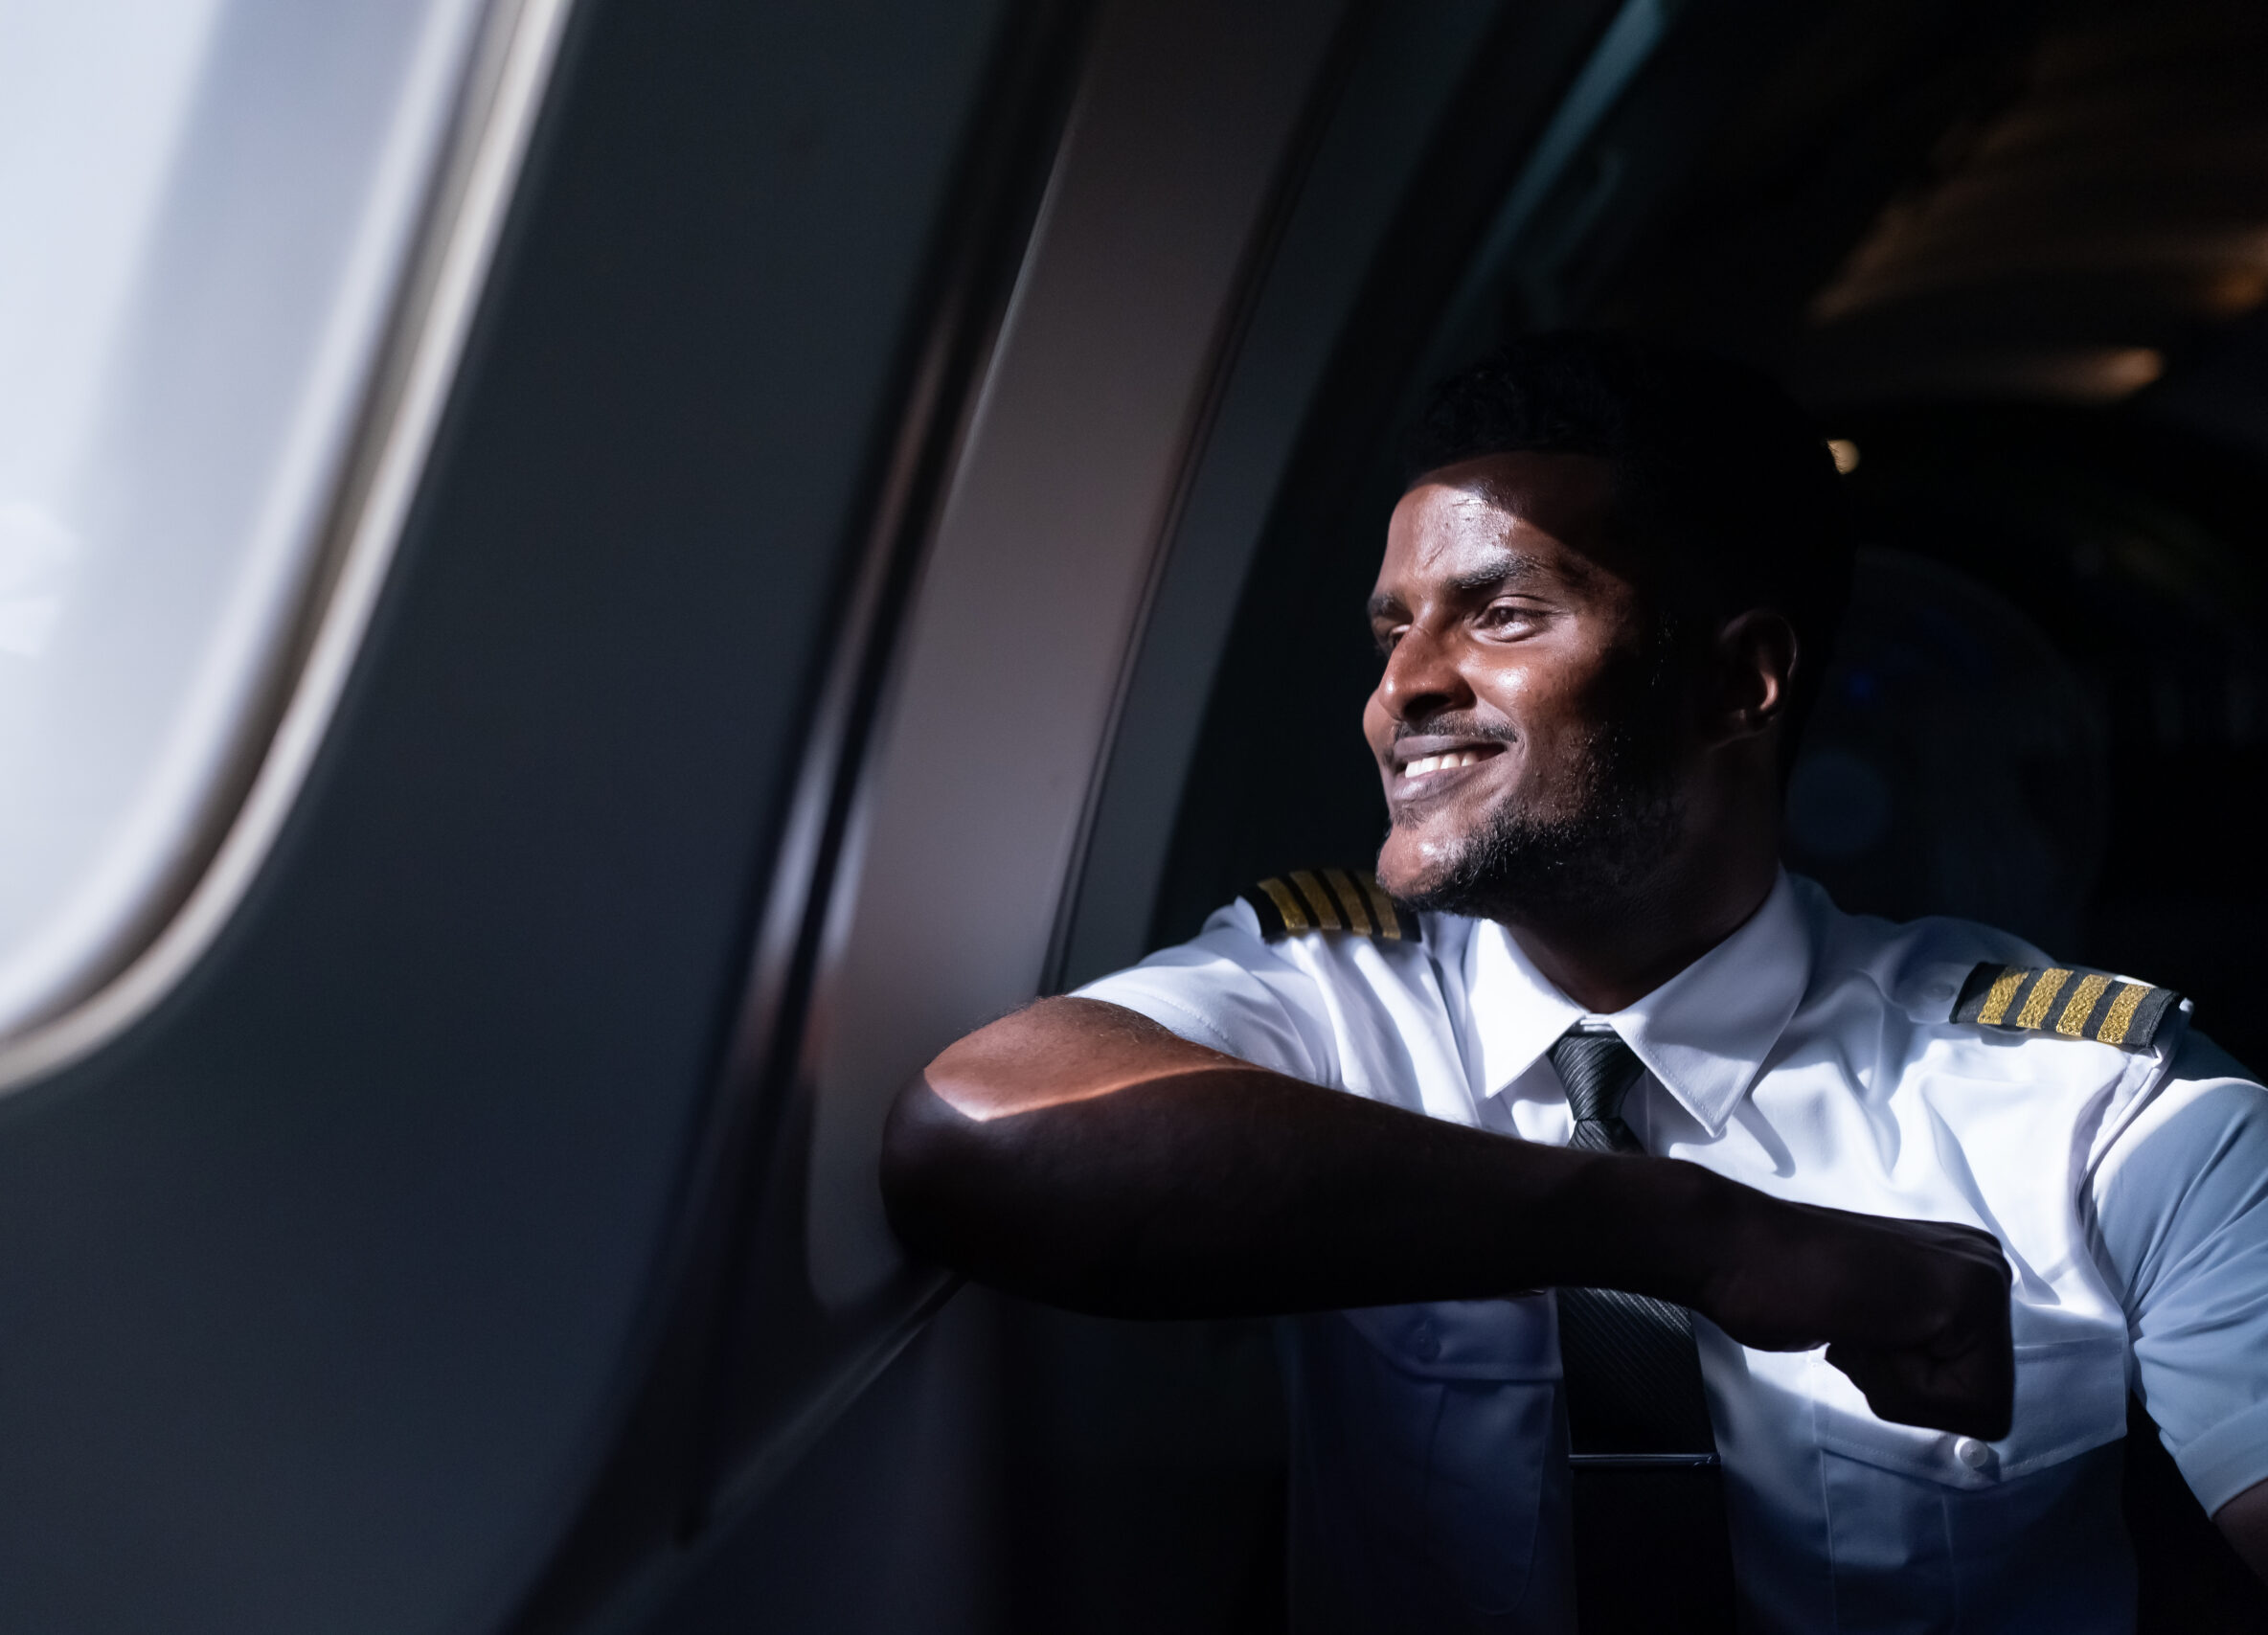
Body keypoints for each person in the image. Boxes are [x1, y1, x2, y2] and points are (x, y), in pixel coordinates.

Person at [879, 332, 2268, 1632]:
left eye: (1504, 615)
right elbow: (977, 1136)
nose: (1403, 689)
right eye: (1393, 630)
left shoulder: (2098, 1105)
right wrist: (1701, 1238)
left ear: (1741, 684)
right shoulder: (1333, 1001)